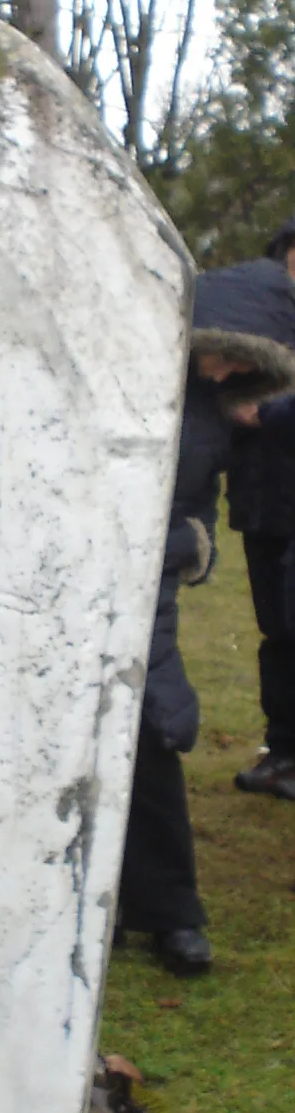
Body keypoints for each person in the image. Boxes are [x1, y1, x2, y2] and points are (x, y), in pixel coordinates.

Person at [118, 256, 295, 974]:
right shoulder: (129, 383)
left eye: (241, 366)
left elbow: (197, 504)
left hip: (147, 590)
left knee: (155, 732)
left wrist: (193, 544)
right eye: (220, 355)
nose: (224, 374)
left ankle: (170, 915)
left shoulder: (219, 413)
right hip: (81, 578)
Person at [226, 219, 295, 800]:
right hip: (263, 500)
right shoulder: (262, 323)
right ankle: (283, 750)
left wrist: (267, 413)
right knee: (276, 633)